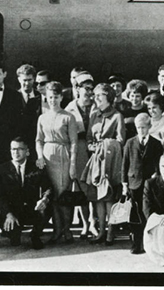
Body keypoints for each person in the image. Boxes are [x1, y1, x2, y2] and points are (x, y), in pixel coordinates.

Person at [35, 81, 79, 244]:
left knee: (63, 195)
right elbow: (38, 140)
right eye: (50, 97)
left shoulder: (68, 116)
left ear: (61, 97)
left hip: (63, 156)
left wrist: (73, 164)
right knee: (51, 194)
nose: (53, 100)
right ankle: (57, 229)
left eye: (56, 97)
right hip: (47, 156)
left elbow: (74, 142)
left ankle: (67, 229)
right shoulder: (42, 117)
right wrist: (40, 156)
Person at [82, 83, 126, 245]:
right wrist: (92, 146)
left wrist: (106, 144)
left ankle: (110, 232)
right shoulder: (94, 115)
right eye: (95, 95)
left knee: (108, 198)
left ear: (109, 97)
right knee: (97, 198)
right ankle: (101, 231)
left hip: (110, 161)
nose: (96, 98)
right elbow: (88, 138)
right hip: (96, 161)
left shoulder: (117, 116)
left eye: (100, 95)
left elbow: (121, 141)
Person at [0, 137, 54, 249]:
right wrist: (8, 214)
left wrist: (44, 199)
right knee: (14, 242)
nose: (16, 152)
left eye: (20, 149)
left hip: (31, 208)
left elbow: (48, 187)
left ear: (27, 152)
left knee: (48, 206)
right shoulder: (2, 169)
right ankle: (13, 232)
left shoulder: (36, 167)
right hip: (12, 211)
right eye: (13, 149)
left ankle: (35, 235)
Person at [63, 72, 99, 239]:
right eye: (86, 88)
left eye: (91, 88)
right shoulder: (69, 108)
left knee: (95, 186)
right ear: (77, 89)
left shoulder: (98, 106)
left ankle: (94, 222)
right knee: (81, 187)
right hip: (78, 150)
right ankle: (85, 224)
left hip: (95, 150)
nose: (89, 92)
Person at [122, 113, 164, 254]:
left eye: (144, 127)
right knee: (135, 214)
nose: (141, 130)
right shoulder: (130, 142)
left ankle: (149, 244)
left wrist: (156, 175)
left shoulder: (156, 143)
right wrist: (124, 183)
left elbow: (158, 164)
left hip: (149, 184)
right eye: (138, 128)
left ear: (149, 127)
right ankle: (136, 243)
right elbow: (125, 163)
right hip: (134, 182)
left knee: (147, 212)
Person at [17, 64, 42, 163]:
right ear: (19, 79)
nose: (27, 83)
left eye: (29, 80)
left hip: (36, 144)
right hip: (19, 145)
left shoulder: (41, 97)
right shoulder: (12, 97)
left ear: (34, 79)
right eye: (24, 80)